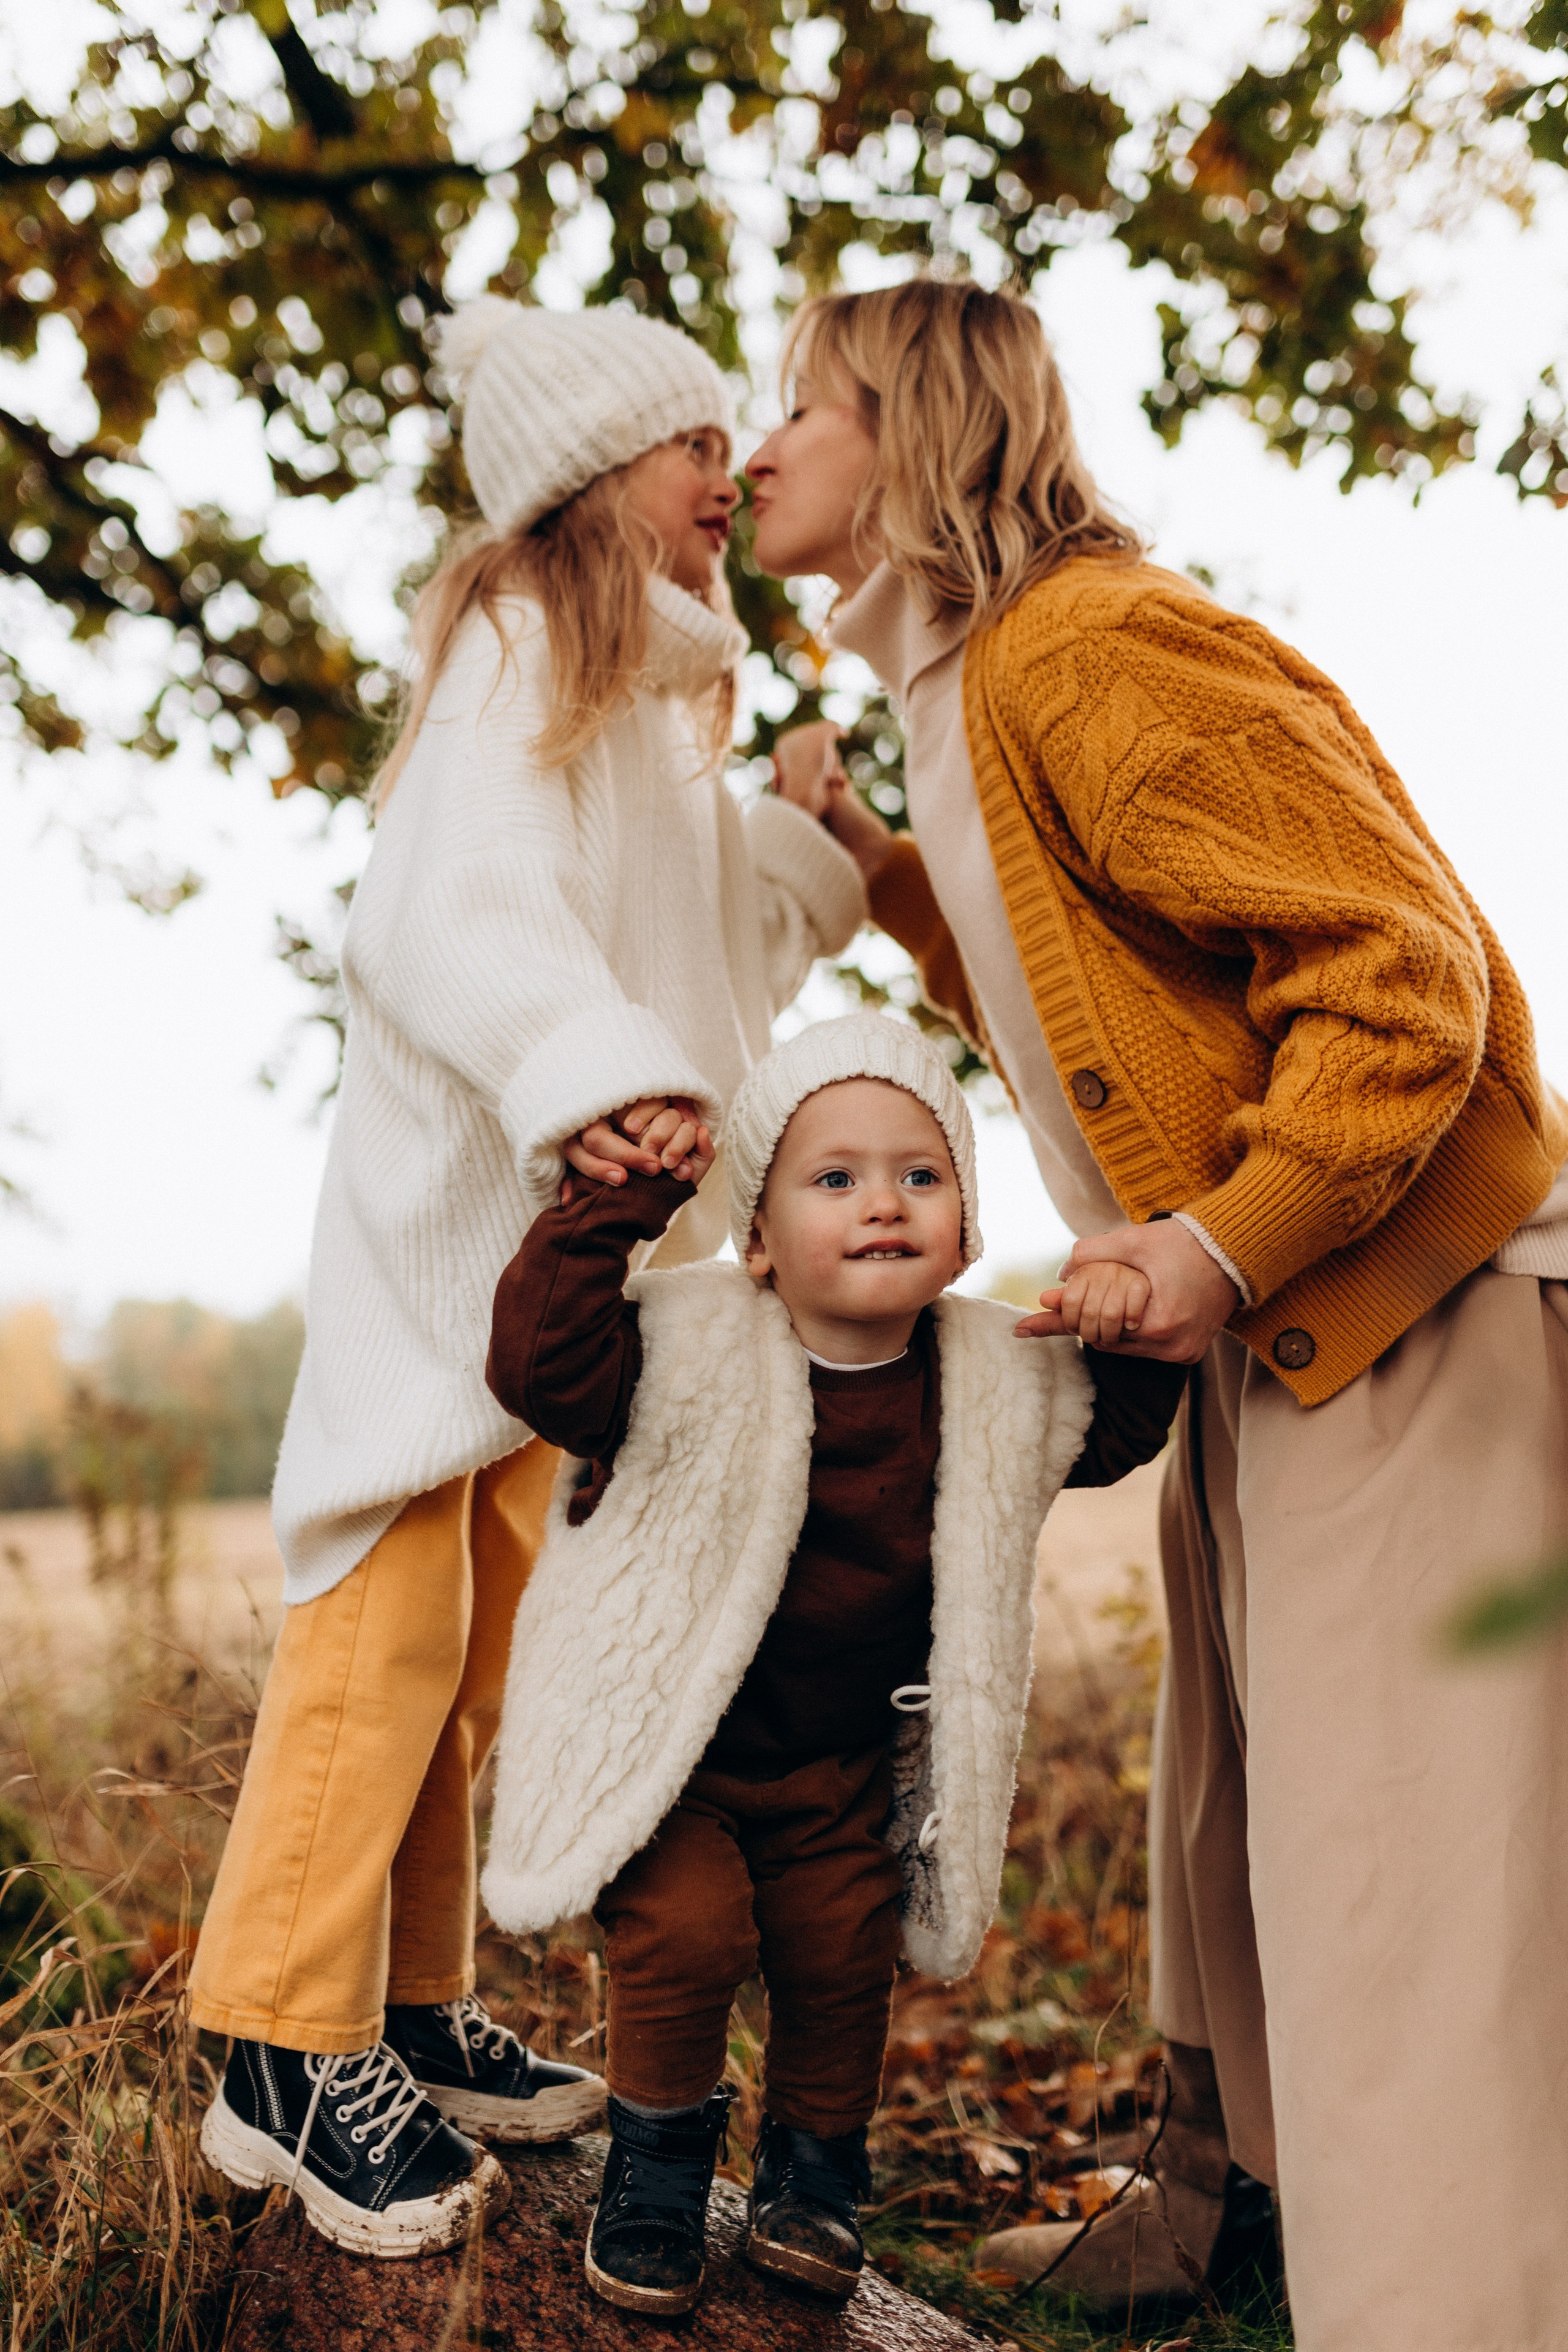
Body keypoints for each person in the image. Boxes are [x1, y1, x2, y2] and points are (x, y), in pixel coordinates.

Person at [742, 280, 1568, 2351]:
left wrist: (1215, 1245)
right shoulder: (967, 684)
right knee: (1249, 1848)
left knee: (1401, 1893)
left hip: (1413, 1314)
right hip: (1293, 1330)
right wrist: (887, 867)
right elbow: (1091, 954)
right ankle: (1253, 2228)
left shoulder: (1088, 643)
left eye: (800, 409)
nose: (756, 453)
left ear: (914, 437)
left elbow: (1400, 974)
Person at [192, 296, 869, 2258]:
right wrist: (592, 1077)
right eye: (692, 444)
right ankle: (274, 2039)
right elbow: (456, 913)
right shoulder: (515, 653)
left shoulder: (653, 719)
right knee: (377, 1646)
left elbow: (697, 945)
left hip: (545, 1297)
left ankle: (401, 2010)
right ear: (591, 479)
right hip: (442, 1263)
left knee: (469, 1672)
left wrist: (807, 855)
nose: (727, 470)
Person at [480, 1012, 1186, 2315]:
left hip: (834, 1764)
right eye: (834, 1178)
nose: (882, 1205)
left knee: (840, 1947)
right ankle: (656, 2171)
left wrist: (1139, 1322)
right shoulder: (684, 1339)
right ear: (754, 1235)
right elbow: (542, 1368)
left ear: (965, 1229)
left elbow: (1100, 1436)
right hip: (667, 1758)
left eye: (921, 1178)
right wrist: (612, 1211)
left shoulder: (991, 1371)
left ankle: (813, 2178)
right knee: (689, 1936)